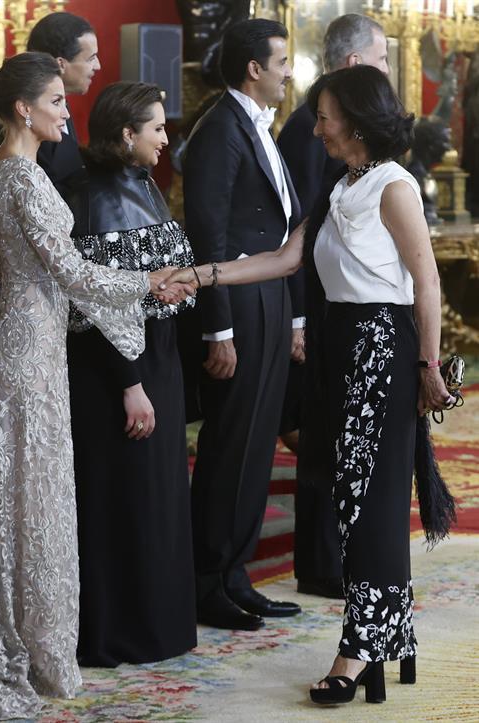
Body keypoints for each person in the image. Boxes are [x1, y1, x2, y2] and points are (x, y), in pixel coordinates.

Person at [166, 64, 454, 706]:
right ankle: (389, 636)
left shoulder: (393, 186)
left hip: (383, 347)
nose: (316, 125)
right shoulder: (338, 182)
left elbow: (426, 282)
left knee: (369, 503)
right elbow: (287, 259)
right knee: (351, 500)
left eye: (324, 115)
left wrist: (429, 367)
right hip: (339, 348)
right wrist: (201, 276)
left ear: (353, 120)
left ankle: (359, 651)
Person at [0, 52, 186, 720]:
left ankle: (37, 642)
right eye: (56, 102)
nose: (67, 111)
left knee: (26, 498)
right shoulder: (20, 178)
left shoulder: (4, 171)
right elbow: (72, 271)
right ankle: (23, 646)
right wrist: (145, 282)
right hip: (30, 349)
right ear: (23, 109)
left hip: (27, 342)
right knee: (27, 502)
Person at [65, 82, 197, 667]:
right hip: (119, 374)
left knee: (157, 498)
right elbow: (95, 310)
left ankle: (156, 627)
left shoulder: (143, 182)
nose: (166, 138)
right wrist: (132, 384)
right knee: (124, 502)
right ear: (127, 134)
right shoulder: (94, 198)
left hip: (157, 361)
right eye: (157, 128)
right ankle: (118, 633)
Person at [181, 17, 302, 632]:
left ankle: (235, 574)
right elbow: (208, 234)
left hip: (270, 295)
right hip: (236, 304)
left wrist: (296, 313)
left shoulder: (256, 124)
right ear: (255, 67)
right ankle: (207, 580)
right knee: (232, 442)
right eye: (282, 61)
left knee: (258, 444)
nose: (289, 71)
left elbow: (282, 224)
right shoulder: (218, 129)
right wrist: (217, 330)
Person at [277, 12, 389, 601]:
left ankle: (341, 559)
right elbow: (294, 232)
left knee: (345, 437)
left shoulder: (374, 161)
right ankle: (324, 564)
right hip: (319, 308)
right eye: (383, 59)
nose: (389, 72)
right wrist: (297, 319)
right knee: (324, 434)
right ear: (353, 66)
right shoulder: (308, 129)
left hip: (350, 309)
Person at [0, 11, 100, 418]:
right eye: (90, 57)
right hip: (26, 304)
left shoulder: (48, 126)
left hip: (44, 304)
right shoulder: (12, 151)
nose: (97, 66)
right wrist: (148, 281)